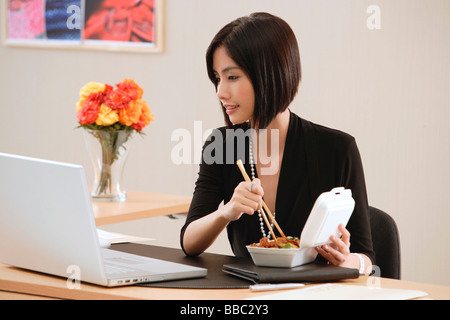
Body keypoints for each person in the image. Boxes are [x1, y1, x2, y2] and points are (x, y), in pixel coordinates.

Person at [180, 12, 374, 274]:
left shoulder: (337, 149)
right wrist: (226, 212)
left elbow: (366, 256)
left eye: (232, 77)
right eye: (217, 78)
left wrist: (347, 260)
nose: (220, 92)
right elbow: (189, 242)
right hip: (247, 296)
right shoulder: (224, 143)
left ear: (269, 74)